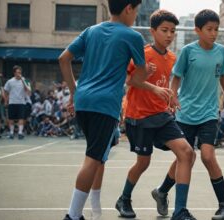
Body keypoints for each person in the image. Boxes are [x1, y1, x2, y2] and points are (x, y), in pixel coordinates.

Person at [58, 1, 170, 219]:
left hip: (84, 101)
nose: (136, 16)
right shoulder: (132, 36)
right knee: (93, 158)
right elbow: (136, 79)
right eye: (136, 11)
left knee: (99, 155)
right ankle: (72, 215)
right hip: (105, 104)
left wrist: (74, 92)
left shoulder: (91, 31)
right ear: (128, 8)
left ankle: (92, 207)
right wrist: (146, 72)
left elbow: (63, 59)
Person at [112, 9, 196, 220]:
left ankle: (178, 208)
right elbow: (129, 81)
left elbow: (165, 84)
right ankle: (124, 198)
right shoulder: (142, 53)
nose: (169, 35)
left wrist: (171, 98)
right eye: (164, 30)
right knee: (143, 162)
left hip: (161, 115)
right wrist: (149, 80)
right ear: (153, 31)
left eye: (173, 31)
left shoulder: (172, 57)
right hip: (139, 115)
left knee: (187, 153)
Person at [155, 9, 224, 220]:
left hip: (209, 113)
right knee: (186, 158)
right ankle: (163, 192)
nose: (213, 33)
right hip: (185, 113)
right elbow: (176, 77)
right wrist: (173, 98)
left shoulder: (222, 52)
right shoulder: (188, 52)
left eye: (216, 29)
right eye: (209, 29)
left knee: (208, 156)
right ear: (197, 30)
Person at [3, 65, 31, 139]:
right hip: (12, 102)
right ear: (14, 73)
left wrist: (23, 81)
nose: (19, 73)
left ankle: (20, 133)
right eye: (17, 72)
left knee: (21, 118)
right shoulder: (10, 81)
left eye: (20, 72)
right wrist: (6, 101)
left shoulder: (25, 80)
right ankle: (11, 133)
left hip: (22, 102)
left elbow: (29, 91)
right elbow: (5, 91)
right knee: (11, 118)